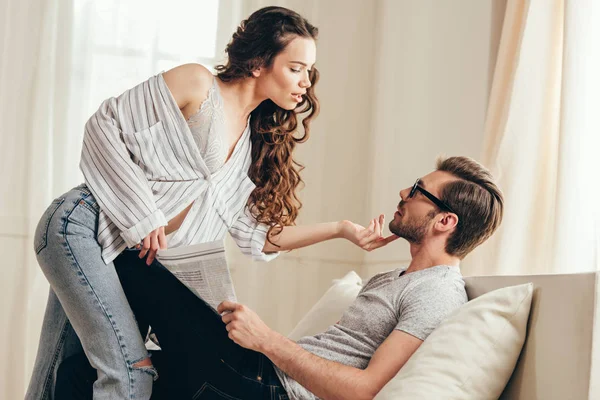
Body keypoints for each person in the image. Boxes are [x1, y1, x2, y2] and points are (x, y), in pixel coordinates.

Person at [26, 6, 397, 399]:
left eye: (309, 71)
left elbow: (258, 236)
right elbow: (104, 127)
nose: (306, 82)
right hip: (80, 226)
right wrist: (145, 214)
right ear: (258, 63)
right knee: (130, 371)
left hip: (121, 256)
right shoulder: (198, 84)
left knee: (60, 371)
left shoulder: (251, 145)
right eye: (296, 68)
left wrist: (341, 230)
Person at [56, 156, 504, 399]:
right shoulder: (396, 276)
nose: (404, 194)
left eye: (419, 192)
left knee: (136, 261)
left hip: (268, 387)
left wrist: (266, 339)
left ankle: (70, 221)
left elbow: (365, 392)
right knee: (81, 371)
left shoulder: (438, 292)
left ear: (444, 222)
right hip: (255, 372)